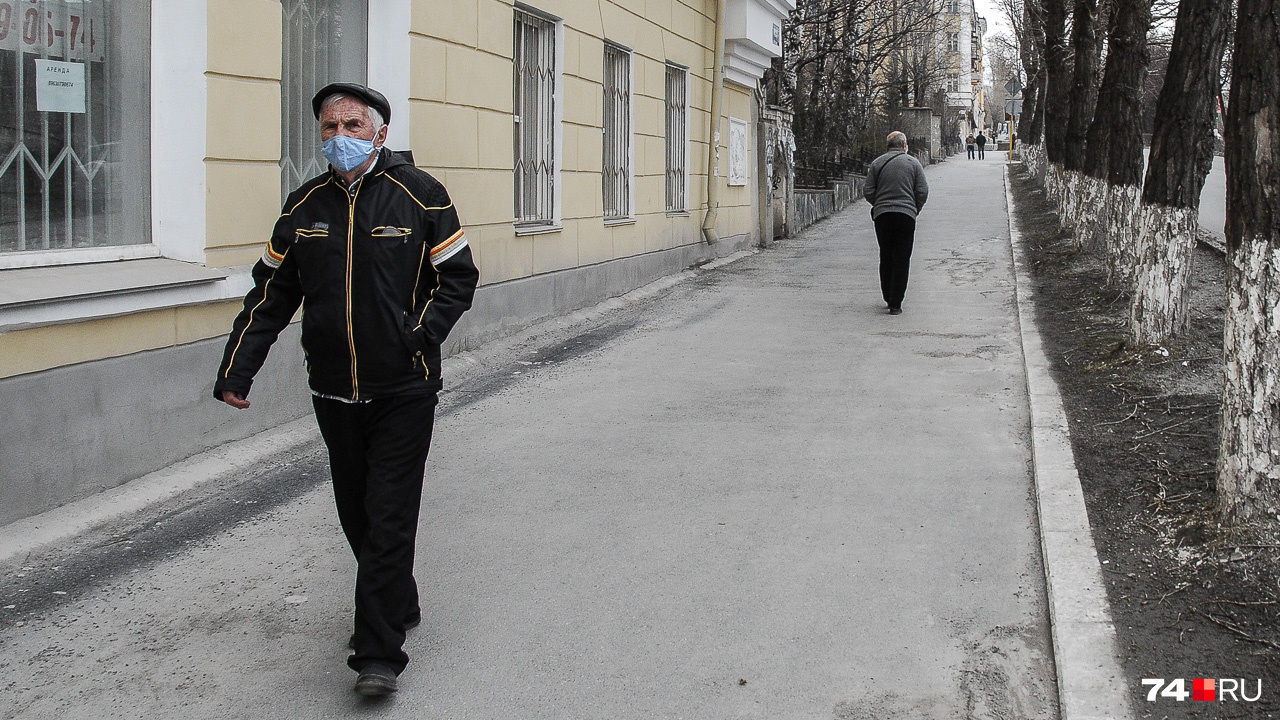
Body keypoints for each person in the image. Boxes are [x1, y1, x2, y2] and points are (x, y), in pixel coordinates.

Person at [213, 82, 479, 696]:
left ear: (379, 133)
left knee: (388, 514)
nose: (339, 137)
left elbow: (458, 279)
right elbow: (271, 294)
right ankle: (397, 598)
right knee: (357, 513)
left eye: (352, 125)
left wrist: (420, 336)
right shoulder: (303, 206)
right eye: (328, 127)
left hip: (405, 388)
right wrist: (237, 369)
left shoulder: (422, 195)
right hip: (334, 390)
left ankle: (377, 655)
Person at [863, 131, 929, 315]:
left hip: (883, 216)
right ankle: (896, 303)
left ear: (888, 146)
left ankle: (887, 295)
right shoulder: (914, 164)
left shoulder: (877, 163)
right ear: (904, 145)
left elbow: (868, 190)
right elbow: (922, 191)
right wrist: (914, 208)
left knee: (886, 255)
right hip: (906, 216)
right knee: (902, 258)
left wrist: (879, 204)